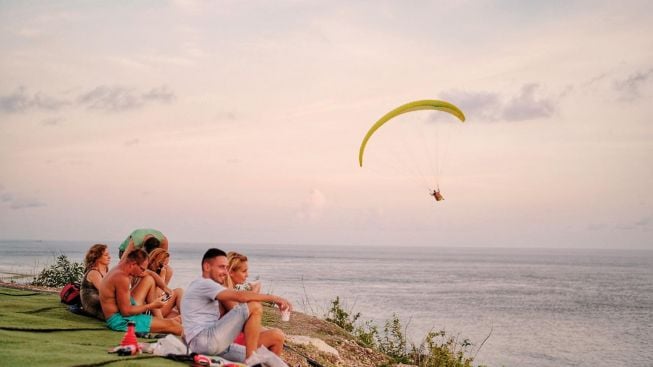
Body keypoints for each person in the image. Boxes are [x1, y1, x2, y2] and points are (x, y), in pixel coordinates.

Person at [181, 248, 291, 362]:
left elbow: (241, 312)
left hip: (219, 342)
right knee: (274, 333)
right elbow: (243, 311)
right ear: (231, 271)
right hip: (212, 341)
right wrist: (273, 298)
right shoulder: (210, 285)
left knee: (271, 359)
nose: (247, 275)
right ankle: (251, 360)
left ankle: (253, 360)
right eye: (244, 271)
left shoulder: (219, 288)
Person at [99, 249, 182, 335]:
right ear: (133, 264)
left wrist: (165, 288)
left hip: (126, 309)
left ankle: (160, 321)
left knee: (149, 279)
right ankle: (163, 323)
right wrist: (152, 305)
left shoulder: (123, 266)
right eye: (142, 269)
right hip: (120, 321)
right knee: (173, 326)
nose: (143, 272)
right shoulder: (122, 278)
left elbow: (150, 273)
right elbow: (126, 312)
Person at [147, 248, 184, 318]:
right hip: (149, 311)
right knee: (179, 291)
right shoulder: (148, 274)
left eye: (167, 264)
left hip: (154, 308)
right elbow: (156, 295)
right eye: (164, 264)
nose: (166, 267)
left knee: (174, 313)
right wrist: (162, 276)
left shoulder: (162, 271)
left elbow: (163, 293)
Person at [80, 243, 111, 320]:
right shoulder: (94, 272)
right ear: (97, 257)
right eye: (106, 255)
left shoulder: (105, 271)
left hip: (100, 300)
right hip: (92, 304)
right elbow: (106, 292)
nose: (109, 257)